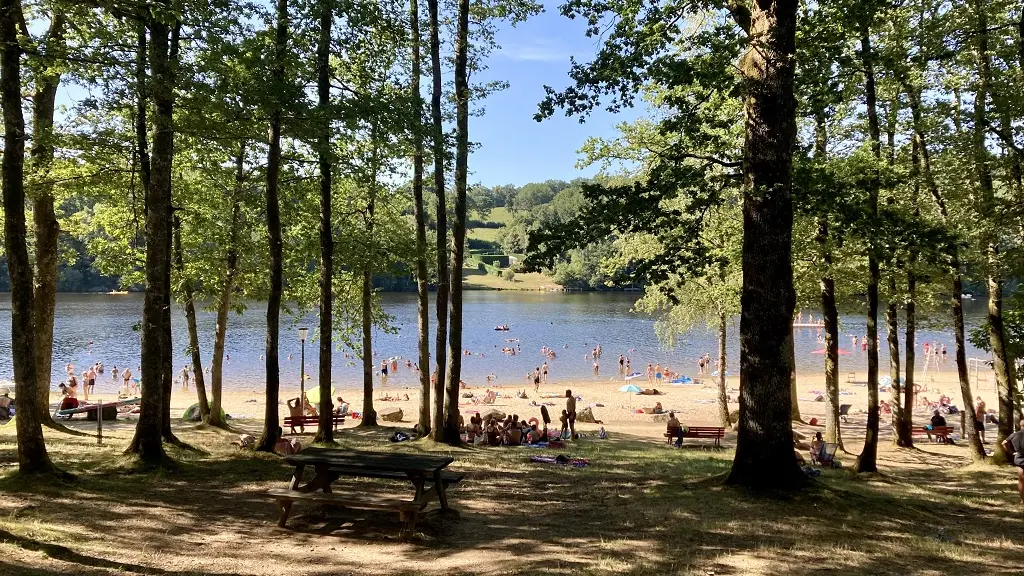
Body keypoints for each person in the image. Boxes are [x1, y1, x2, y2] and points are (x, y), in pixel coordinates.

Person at [1000, 419, 1024, 505]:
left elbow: (1003, 443)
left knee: (1021, 479)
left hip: (1019, 458)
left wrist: (1011, 452)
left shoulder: (1014, 435)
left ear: (1020, 426)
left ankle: (1022, 500)